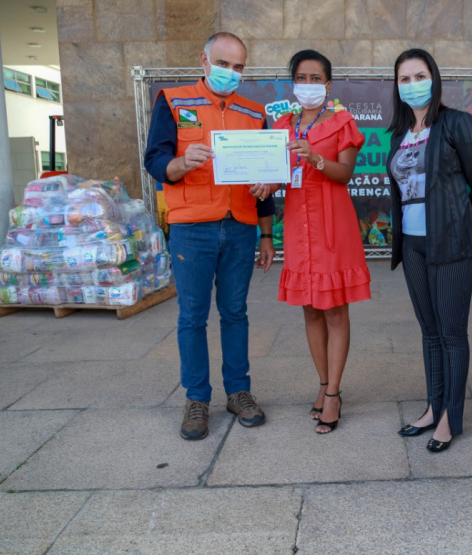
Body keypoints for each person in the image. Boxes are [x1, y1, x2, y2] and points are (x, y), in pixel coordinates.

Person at [144, 32, 274, 440]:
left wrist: (267, 230)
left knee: (235, 312)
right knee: (192, 317)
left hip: (241, 226)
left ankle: (239, 392)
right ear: (204, 60)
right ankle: (197, 398)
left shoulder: (255, 114)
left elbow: (266, 175)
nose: (231, 74)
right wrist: (181, 162)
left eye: (239, 68)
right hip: (191, 228)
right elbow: (155, 160)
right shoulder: (174, 101)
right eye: (224, 64)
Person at [252, 50, 370, 434]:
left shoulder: (342, 122)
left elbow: (345, 173)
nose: (308, 85)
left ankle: (334, 393)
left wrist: (315, 158)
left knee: (335, 309)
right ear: (292, 83)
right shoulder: (282, 123)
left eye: (315, 78)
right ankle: (322, 384)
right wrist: (266, 183)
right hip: (300, 230)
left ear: (328, 84)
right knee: (309, 310)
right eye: (301, 78)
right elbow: (280, 174)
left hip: (334, 228)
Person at [386, 49, 472, 453]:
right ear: (397, 86)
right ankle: (433, 406)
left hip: (451, 242)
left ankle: (451, 417)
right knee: (429, 332)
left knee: (451, 334)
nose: (413, 85)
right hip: (412, 244)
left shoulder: (456, 123)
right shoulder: (399, 135)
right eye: (405, 79)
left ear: (434, 77)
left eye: (420, 75)